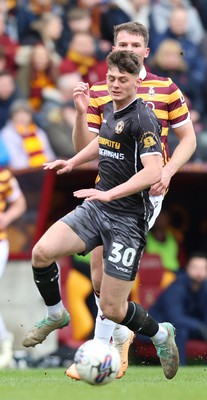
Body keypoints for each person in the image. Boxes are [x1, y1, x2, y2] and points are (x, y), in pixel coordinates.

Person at [22, 50, 179, 380]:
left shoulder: (145, 119)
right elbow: (105, 141)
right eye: (111, 79)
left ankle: (161, 334)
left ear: (137, 81)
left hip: (127, 219)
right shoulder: (110, 109)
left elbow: (153, 171)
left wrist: (109, 192)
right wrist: (73, 161)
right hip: (97, 208)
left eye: (123, 80)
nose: (116, 85)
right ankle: (55, 314)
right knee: (41, 252)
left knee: (112, 309)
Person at [67, 21, 196, 380]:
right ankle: (122, 329)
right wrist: (80, 114)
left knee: (112, 270)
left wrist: (168, 172)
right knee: (96, 274)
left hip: (144, 195)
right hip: (104, 188)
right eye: (122, 42)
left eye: (135, 44)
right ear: (112, 47)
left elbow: (188, 140)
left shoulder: (166, 88)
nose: (129, 47)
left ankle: (100, 350)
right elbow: (84, 149)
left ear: (146, 51)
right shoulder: (100, 90)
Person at [149, 252, 207, 365]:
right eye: (195, 267)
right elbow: (175, 318)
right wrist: (201, 327)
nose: (199, 272)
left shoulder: (204, 288)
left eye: (204, 268)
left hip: (188, 328)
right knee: (180, 330)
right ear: (187, 269)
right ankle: (179, 367)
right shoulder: (176, 287)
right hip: (158, 329)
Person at [0, 167, 26, 368]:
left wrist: (6, 219)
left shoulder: (4, 175)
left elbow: (19, 203)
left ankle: (5, 342)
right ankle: (4, 340)